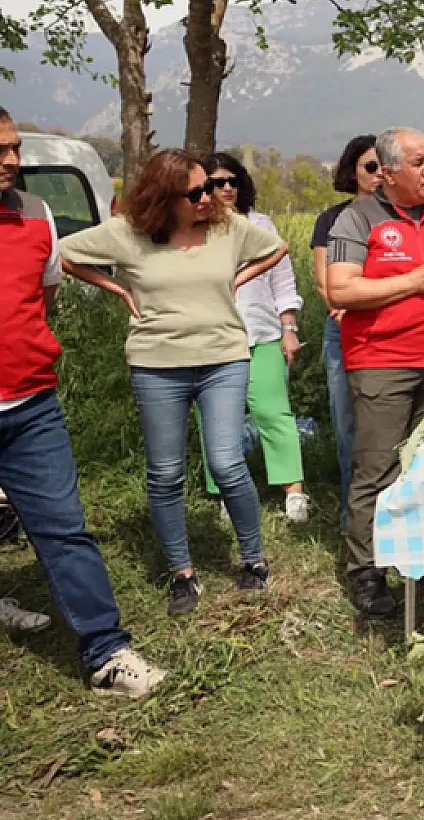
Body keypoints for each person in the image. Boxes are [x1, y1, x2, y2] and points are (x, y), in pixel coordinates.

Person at [60, 149, 287, 616]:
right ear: (165, 197)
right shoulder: (128, 235)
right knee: (165, 473)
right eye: (196, 191)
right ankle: (182, 573)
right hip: (156, 365)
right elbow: (61, 254)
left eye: (209, 187)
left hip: (224, 358)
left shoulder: (228, 228)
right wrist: (117, 288)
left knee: (226, 463)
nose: (209, 197)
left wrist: (239, 279)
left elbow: (276, 247)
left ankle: (254, 561)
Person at [0, 109, 167, 696]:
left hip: (29, 407)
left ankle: (107, 652)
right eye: (0, 150)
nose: (13, 160)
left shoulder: (36, 215)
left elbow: (37, 302)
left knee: (64, 528)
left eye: (15, 148)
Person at [326, 128, 424, 618]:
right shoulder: (356, 219)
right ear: (389, 172)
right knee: (378, 468)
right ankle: (366, 572)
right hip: (383, 362)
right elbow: (340, 291)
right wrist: (414, 281)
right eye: (419, 162)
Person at [203, 152, 310, 523]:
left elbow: (283, 282)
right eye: (217, 182)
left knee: (273, 411)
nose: (227, 188)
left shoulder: (261, 225)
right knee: (217, 420)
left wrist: (289, 329)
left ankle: (293, 491)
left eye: (233, 180)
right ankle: (224, 495)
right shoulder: (193, 229)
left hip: (263, 333)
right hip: (211, 338)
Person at [310, 134, 379, 519]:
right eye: (370, 166)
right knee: (348, 425)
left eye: (384, 166)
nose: (378, 174)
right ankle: (353, 517)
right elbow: (325, 283)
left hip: (390, 331)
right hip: (344, 330)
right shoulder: (331, 220)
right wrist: (346, 306)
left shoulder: (400, 218)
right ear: (352, 172)